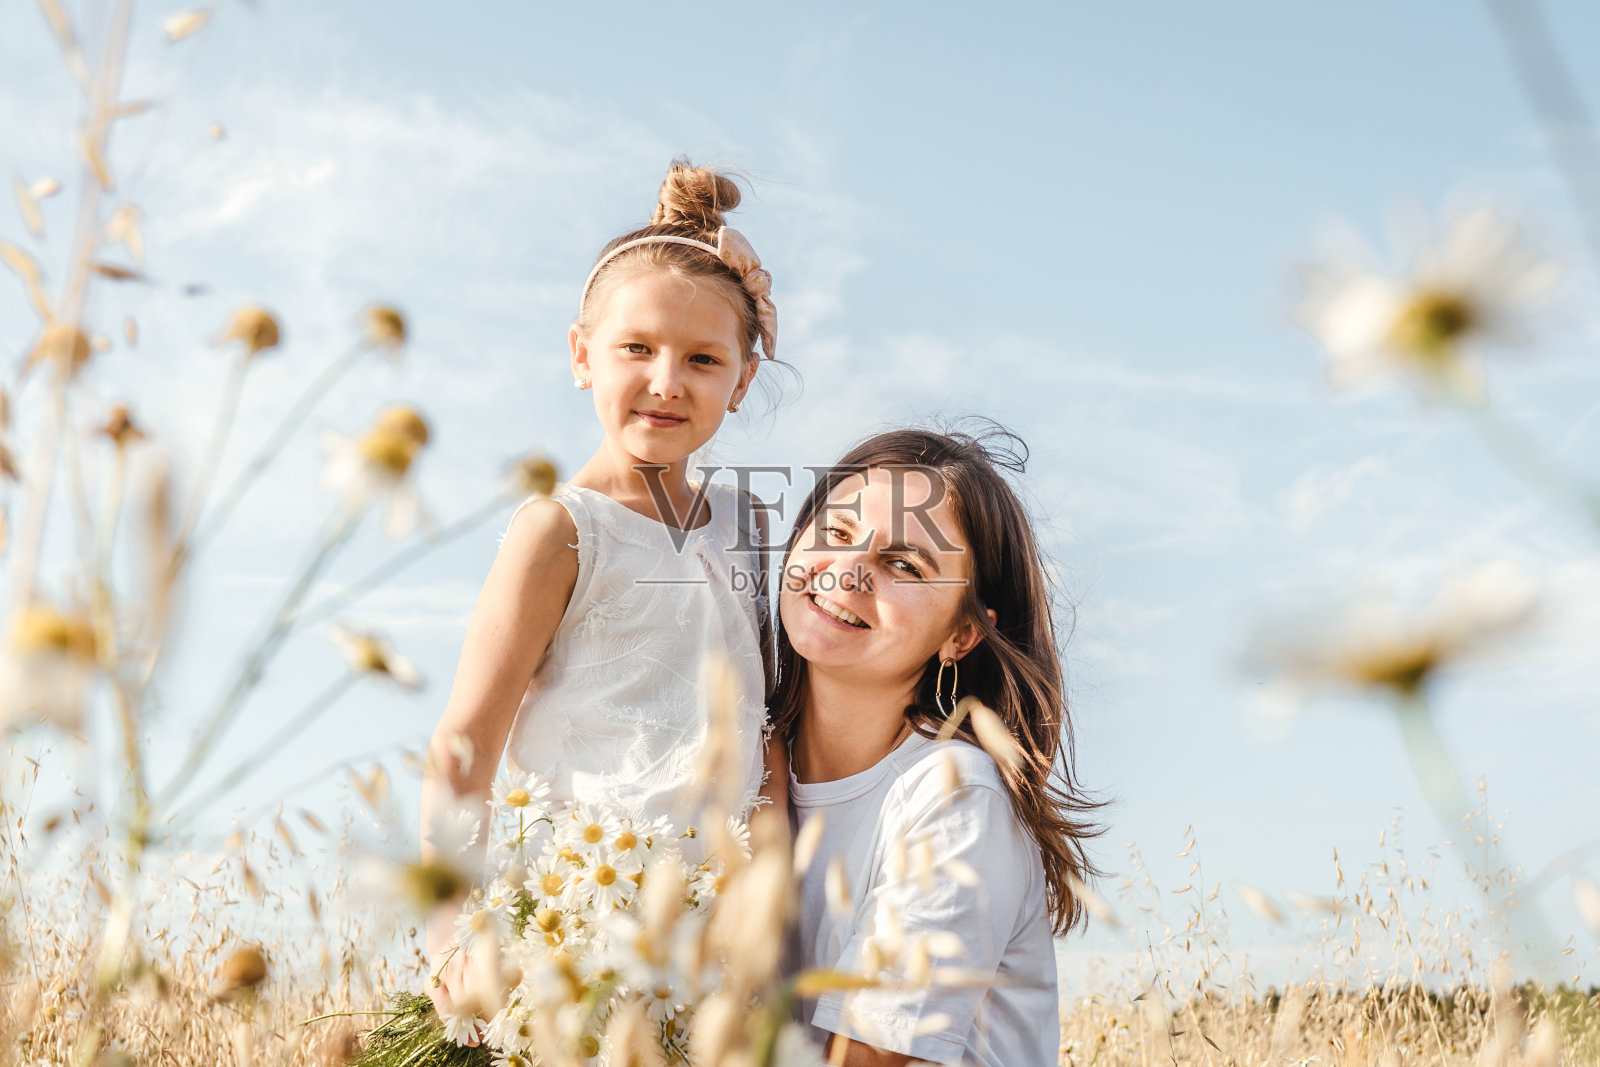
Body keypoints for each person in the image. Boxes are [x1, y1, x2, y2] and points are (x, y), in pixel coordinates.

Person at [419, 160, 787, 1028]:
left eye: (703, 359)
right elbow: (466, 739)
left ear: (740, 382)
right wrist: (453, 936)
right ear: (583, 355)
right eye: (637, 349)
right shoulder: (558, 532)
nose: (667, 380)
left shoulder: (749, 524)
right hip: (568, 941)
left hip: (713, 956)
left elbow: (760, 730)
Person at [773, 426, 1100, 1067]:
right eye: (836, 534)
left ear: (962, 635)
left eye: (903, 565)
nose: (848, 570)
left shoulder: (953, 796)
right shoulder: (745, 768)